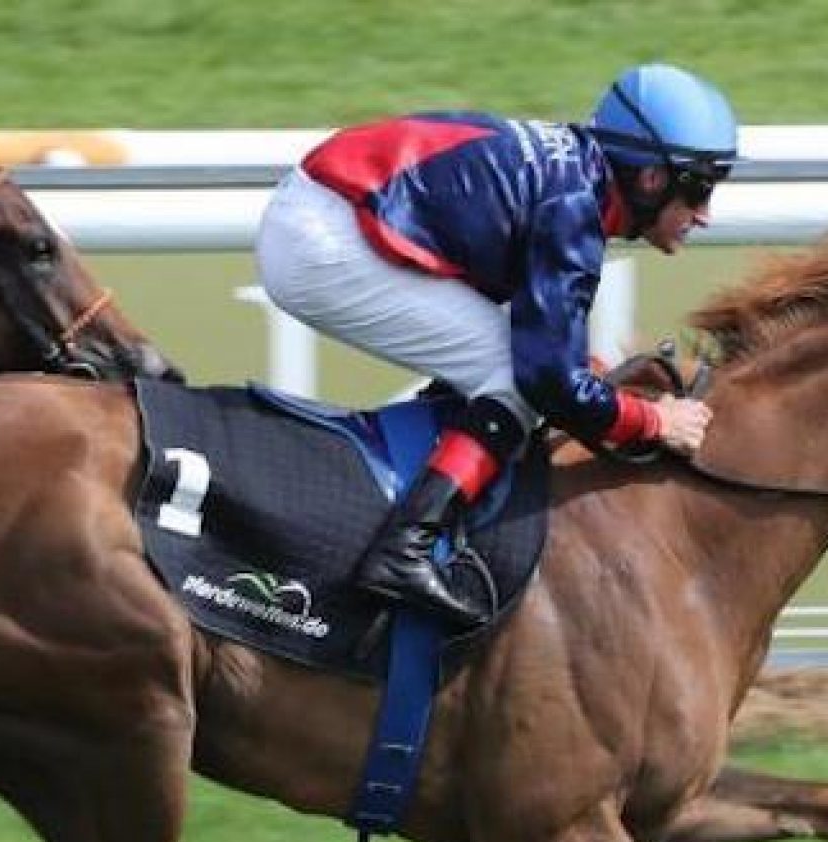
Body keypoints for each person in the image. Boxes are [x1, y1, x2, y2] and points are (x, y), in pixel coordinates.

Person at [254, 63, 737, 629]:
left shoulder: (577, 184)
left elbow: (551, 348)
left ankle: (421, 496)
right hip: (324, 240)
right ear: (652, 177)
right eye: (700, 187)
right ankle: (404, 547)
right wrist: (653, 422)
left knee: (516, 366)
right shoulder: (572, 210)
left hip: (328, 209)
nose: (704, 214)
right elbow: (550, 383)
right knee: (514, 380)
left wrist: (589, 381)